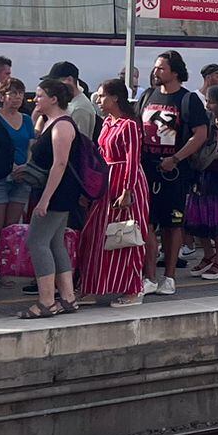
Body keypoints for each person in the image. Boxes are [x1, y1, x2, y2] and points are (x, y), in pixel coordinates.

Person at [137, 51, 209, 294]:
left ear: (175, 72)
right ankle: (149, 276)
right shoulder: (148, 95)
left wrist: (176, 158)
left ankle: (169, 277)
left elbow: (201, 134)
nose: (156, 72)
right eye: (155, 67)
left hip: (175, 173)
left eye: (161, 68)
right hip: (148, 169)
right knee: (147, 222)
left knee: (172, 225)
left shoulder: (188, 99)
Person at [76, 79, 149, 306]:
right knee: (96, 235)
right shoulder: (108, 122)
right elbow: (99, 154)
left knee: (126, 235)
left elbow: (132, 159)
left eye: (102, 96)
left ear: (115, 97)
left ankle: (133, 289)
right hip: (106, 182)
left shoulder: (129, 125)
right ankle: (93, 287)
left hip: (125, 183)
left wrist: (127, 190)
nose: (98, 100)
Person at [19, 78, 82, 318]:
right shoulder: (51, 122)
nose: (36, 100)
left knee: (37, 241)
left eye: (40, 96)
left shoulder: (62, 126)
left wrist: (45, 199)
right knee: (55, 242)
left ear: (54, 99)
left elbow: (60, 164)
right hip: (57, 191)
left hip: (56, 192)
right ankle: (67, 297)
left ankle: (46, 301)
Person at [0, 78, 34, 284]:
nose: (17, 98)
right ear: (2, 96)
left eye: (20, 93)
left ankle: (3, 271)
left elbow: (30, 145)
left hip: (22, 177)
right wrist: (10, 167)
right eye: (12, 93)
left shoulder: (26, 119)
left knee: (10, 228)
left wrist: (26, 166)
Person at [183, 84, 218, 282]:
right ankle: (208, 255)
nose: (208, 105)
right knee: (196, 218)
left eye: (212, 102)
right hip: (202, 174)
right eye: (207, 101)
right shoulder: (206, 121)